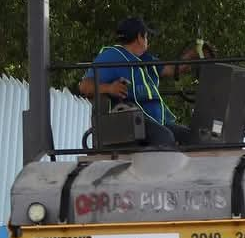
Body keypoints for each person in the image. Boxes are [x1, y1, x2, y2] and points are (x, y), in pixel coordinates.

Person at [78, 17, 196, 146]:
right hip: (131, 122)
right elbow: (84, 86)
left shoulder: (144, 59)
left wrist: (194, 54)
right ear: (140, 37)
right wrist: (109, 88)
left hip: (156, 122)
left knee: (190, 137)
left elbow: (173, 69)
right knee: (164, 137)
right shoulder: (112, 56)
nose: (147, 40)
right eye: (146, 36)